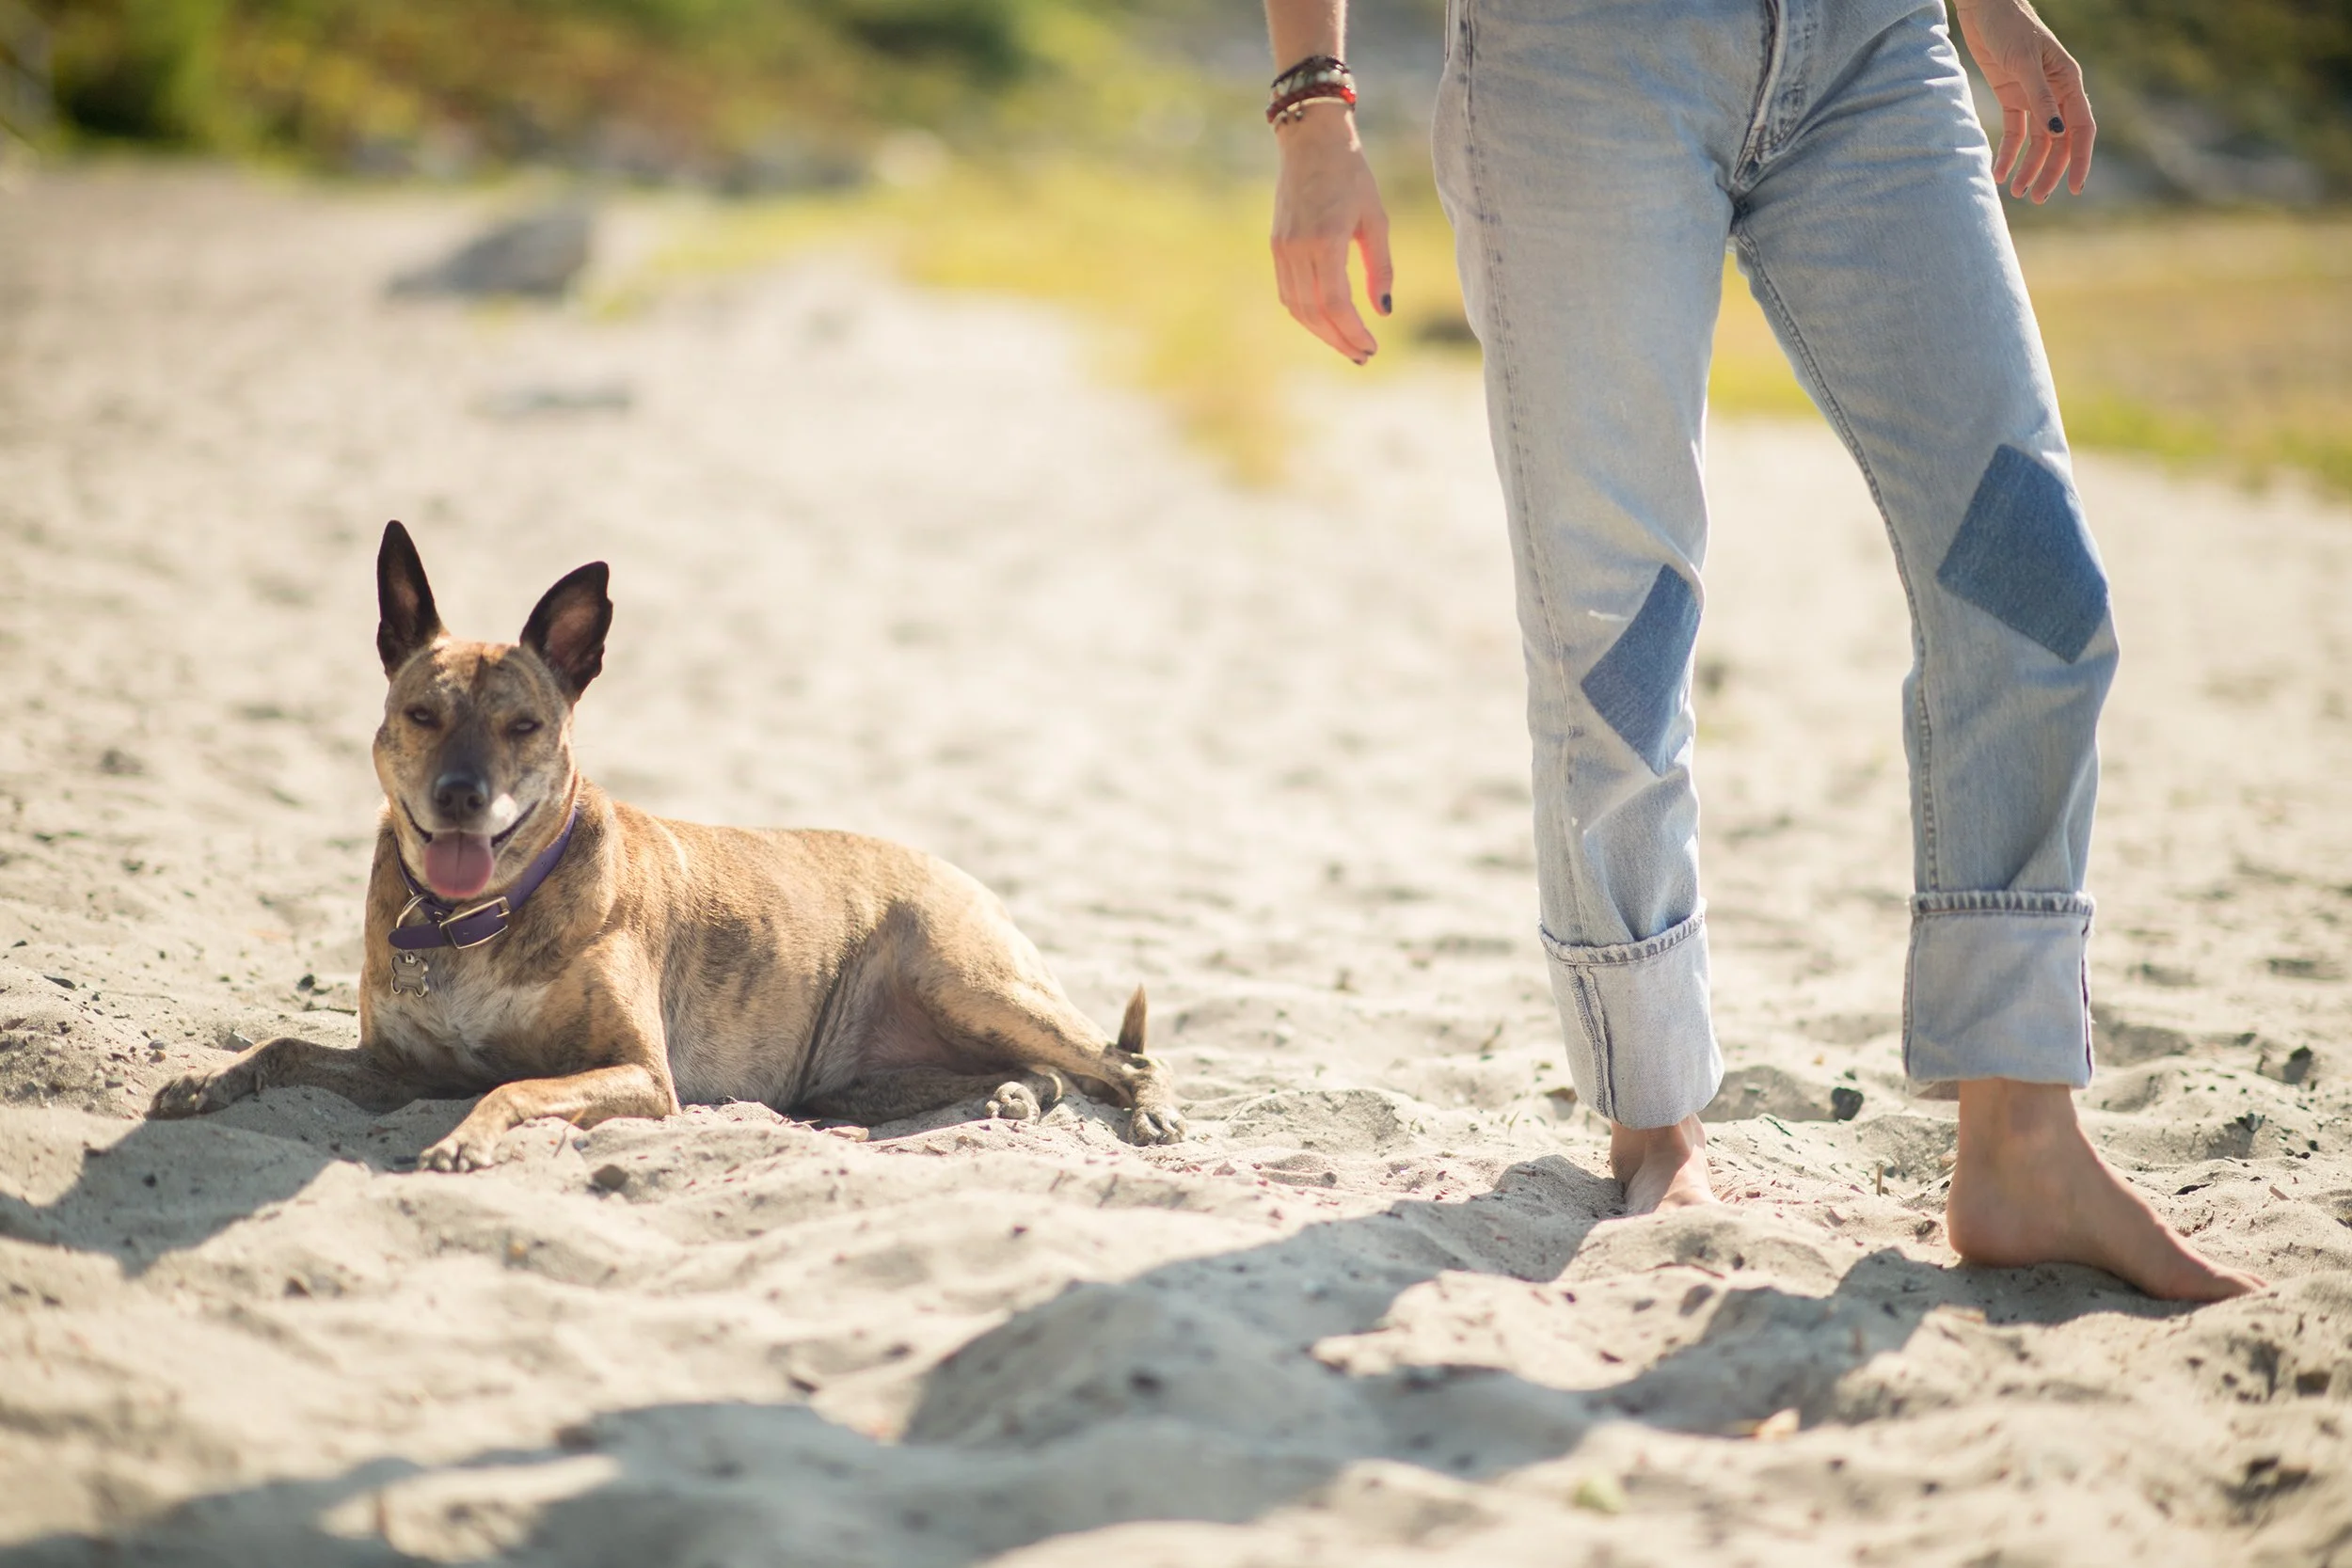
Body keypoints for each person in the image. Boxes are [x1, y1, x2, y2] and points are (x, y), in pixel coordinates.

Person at [1262, 0, 2260, 1301]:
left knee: (2034, 582)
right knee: (1618, 631)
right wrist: (1313, 107)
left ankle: (2021, 1140)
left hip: (1872, 46)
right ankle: (1654, 1118)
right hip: (1578, 65)